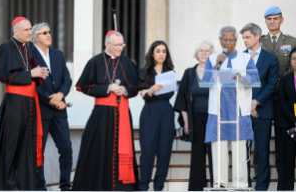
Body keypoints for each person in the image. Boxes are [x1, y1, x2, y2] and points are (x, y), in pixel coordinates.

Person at [0, 17, 49, 190]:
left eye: (30, 29)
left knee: (26, 146)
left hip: (30, 104)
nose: (29, 33)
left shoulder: (27, 49)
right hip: (15, 105)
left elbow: (28, 73)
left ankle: (25, 184)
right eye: (26, 30)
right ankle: (8, 184)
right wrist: (31, 74)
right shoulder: (6, 48)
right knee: (12, 145)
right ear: (15, 31)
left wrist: (38, 74)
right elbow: (5, 77)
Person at [72, 30, 139, 191]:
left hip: (122, 113)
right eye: (116, 45)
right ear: (106, 44)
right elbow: (84, 87)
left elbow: (135, 88)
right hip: (102, 113)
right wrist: (107, 88)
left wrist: (125, 90)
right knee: (97, 148)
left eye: (121, 44)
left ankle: (122, 187)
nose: (120, 48)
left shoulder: (128, 63)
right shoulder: (95, 62)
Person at [204, 26, 256, 188]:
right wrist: (216, 66)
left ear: (236, 40)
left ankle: (240, 183)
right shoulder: (212, 59)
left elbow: (255, 79)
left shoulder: (246, 58)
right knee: (218, 149)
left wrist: (240, 76)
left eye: (231, 39)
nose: (228, 42)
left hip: (238, 110)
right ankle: (220, 184)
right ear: (220, 40)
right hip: (218, 110)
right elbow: (206, 82)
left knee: (239, 150)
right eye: (225, 39)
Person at [30, 23, 72, 191]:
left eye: (49, 32)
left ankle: (65, 185)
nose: (49, 35)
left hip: (60, 110)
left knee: (66, 148)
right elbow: (33, 84)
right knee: (39, 150)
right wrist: (51, 99)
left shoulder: (58, 54)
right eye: (44, 33)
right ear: (35, 38)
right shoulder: (29, 55)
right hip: (41, 111)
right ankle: (40, 186)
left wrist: (61, 95)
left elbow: (67, 78)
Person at [240, 23, 279, 190]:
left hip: (262, 111)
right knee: (243, 152)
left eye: (247, 37)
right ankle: (244, 184)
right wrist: (247, 104)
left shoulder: (271, 59)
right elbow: (236, 85)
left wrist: (256, 102)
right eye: (243, 38)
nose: (245, 40)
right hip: (243, 112)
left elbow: (271, 84)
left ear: (257, 36)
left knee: (262, 151)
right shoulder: (238, 58)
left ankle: (262, 186)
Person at [259, 6, 296, 176]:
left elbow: (293, 66)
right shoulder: (259, 41)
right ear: (265, 21)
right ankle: (259, 171)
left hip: (284, 97)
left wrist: (281, 82)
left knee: (282, 136)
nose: (272, 21)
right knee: (261, 135)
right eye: (269, 19)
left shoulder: (291, 42)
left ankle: (283, 171)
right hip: (264, 97)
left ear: (281, 20)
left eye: (275, 18)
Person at [174, 40, 215, 190]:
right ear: (196, 54)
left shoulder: (216, 71)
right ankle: (197, 188)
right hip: (195, 118)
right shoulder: (189, 72)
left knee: (214, 154)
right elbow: (183, 99)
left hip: (213, 118)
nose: (204, 53)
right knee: (197, 155)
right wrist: (186, 122)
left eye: (207, 50)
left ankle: (216, 186)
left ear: (212, 53)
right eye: (201, 51)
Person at [138, 41, 175, 191]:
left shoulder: (170, 72)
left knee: (164, 152)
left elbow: (170, 92)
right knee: (147, 150)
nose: (161, 54)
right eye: (158, 51)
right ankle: (143, 186)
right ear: (152, 53)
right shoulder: (144, 72)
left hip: (166, 111)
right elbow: (143, 95)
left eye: (164, 51)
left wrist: (150, 93)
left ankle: (159, 186)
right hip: (150, 112)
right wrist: (152, 90)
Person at [277, 47, 296, 190]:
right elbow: (282, 102)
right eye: (294, 59)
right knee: (286, 163)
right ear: (290, 61)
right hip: (287, 125)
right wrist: (293, 120)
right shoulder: (284, 79)